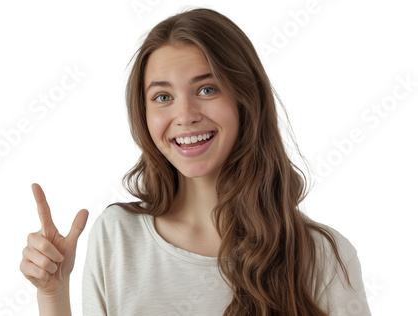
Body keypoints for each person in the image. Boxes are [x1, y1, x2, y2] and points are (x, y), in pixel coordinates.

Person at [20, 8, 372, 316]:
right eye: (163, 97)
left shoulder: (324, 256)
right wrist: (52, 294)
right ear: (144, 115)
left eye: (207, 89)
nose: (185, 115)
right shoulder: (117, 236)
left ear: (246, 99)